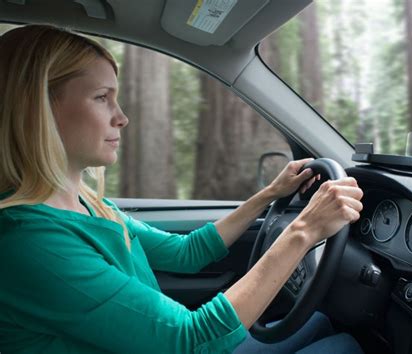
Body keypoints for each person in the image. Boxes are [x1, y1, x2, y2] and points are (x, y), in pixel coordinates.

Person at [0, 25, 364, 354]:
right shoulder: (28, 242)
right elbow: (190, 339)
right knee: (345, 348)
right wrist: (304, 230)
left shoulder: (88, 204)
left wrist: (270, 193)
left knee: (320, 323)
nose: (121, 116)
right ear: (39, 109)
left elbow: (186, 252)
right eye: (101, 97)